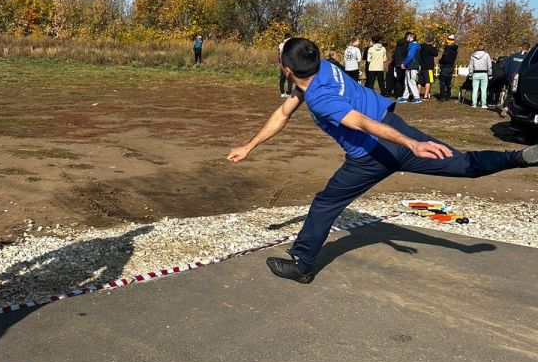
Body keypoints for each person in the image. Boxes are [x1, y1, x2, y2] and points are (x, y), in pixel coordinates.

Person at [227, 37, 537, 283]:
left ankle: (302, 264)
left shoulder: (320, 97)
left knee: (325, 203)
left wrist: (411, 144)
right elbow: (283, 112)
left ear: (287, 70)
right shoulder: (323, 66)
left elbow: (361, 123)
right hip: (397, 128)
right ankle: (519, 158)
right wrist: (250, 145)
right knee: (462, 163)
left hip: (374, 154)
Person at [500, 41, 531, 116]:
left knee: (510, 94)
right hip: (523, 82)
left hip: (511, 80)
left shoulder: (512, 56)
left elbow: (505, 68)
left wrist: (507, 78)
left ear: (521, 47)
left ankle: (506, 108)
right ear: (529, 49)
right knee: (521, 97)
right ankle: (519, 111)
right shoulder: (528, 58)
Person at [397, 32, 421, 104]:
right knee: (407, 81)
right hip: (410, 66)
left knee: (411, 81)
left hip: (412, 66)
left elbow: (410, 56)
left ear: (412, 38)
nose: (407, 38)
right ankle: (405, 96)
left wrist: (404, 63)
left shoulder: (413, 46)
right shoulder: (413, 45)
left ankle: (417, 97)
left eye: (409, 37)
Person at [468, 44, 492, 108]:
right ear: (484, 48)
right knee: (484, 89)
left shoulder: (473, 56)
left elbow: (471, 66)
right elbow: (489, 65)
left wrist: (470, 75)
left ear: (477, 48)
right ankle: (483, 104)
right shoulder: (487, 55)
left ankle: (474, 104)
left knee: (475, 89)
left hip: (475, 73)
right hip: (484, 73)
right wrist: (490, 74)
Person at [437, 35, 459, 101]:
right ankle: (448, 95)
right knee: (448, 82)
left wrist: (440, 60)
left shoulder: (448, 49)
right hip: (451, 66)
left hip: (445, 67)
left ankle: (442, 96)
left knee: (442, 82)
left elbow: (445, 59)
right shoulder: (455, 50)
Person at [278, 32, 293, 97]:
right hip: (289, 62)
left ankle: (282, 92)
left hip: (282, 63)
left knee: (282, 77)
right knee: (290, 78)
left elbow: (279, 55)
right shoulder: (291, 44)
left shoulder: (280, 44)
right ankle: (288, 92)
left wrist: (280, 63)